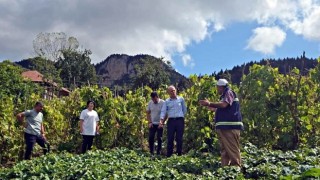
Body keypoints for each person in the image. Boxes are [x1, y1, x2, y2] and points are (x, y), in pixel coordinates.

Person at [199, 79, 244, 167]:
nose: (217, 89)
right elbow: (225, 108)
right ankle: (225, 167)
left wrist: (209, 103)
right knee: (225, 149)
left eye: (217, 87)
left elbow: (224, 105)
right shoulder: (225, 95)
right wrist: (215, 110)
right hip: (225, 127)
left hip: (230, 127)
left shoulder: (229, 92)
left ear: (220, 87)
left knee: (232, 148)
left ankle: (236, 168)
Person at [159, 85, 187, 157]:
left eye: (174, 90)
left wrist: (181, 116)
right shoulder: (167, 101)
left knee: (179, 138)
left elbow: (184, 109)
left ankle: (179, 155)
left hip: (180, 120)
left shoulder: (181, 99)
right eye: (171, 91)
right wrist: (161, 120)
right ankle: (169, 155)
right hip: (171, 121)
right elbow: (163, 111)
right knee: (170, 138)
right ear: (168, 92)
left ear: (176, 91)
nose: (173, 92)